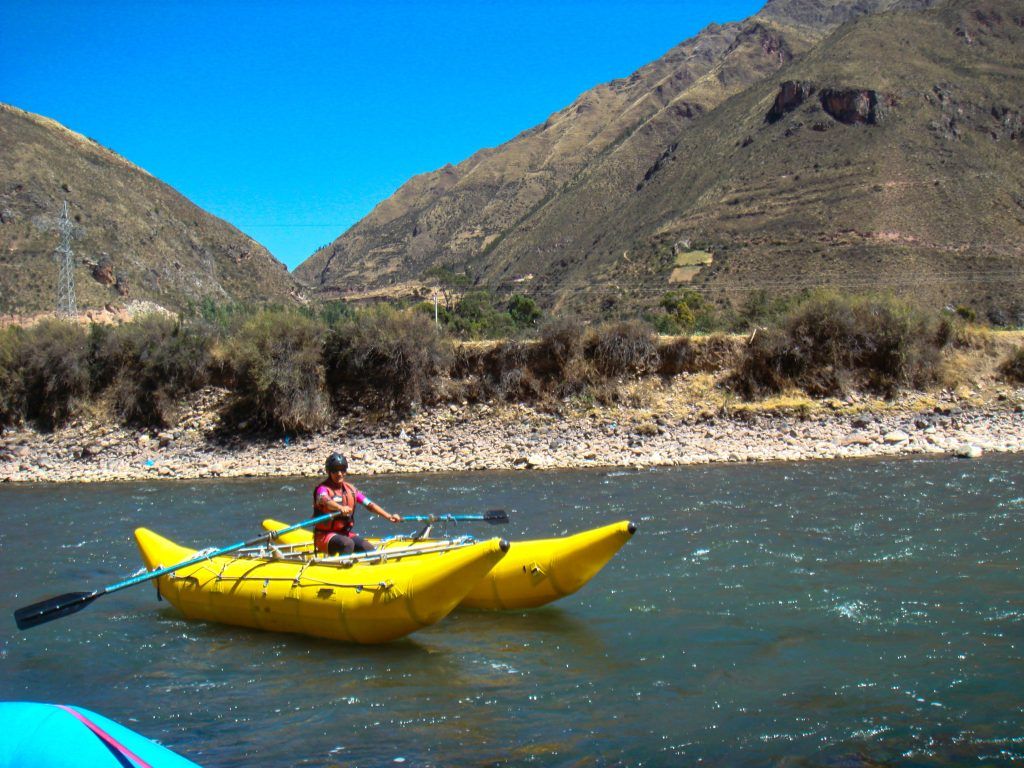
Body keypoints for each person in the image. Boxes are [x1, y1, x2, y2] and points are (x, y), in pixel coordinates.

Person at [313, 452, 402, 555]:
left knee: (368, 548)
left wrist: (388, 516)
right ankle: (344, 568)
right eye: (335, 470)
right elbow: (324, 500)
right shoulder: (322, 489)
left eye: (342, 469)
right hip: (324, 536)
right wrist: (339, 507)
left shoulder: (351, 490)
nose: (339, 473)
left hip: (344, 533)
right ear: (329, 472)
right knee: (348, 544)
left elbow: (369, 505)